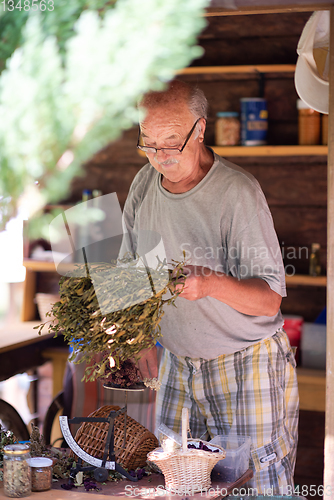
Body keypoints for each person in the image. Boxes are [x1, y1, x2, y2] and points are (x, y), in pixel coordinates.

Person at [120, 80, 299, 495]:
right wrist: (139, 337)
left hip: (245, 364)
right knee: (175, 486)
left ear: (200, 130)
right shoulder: (144, 185)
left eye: (171, 142)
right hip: (177, 366)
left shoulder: (236, 192)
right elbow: (130, 273)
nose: (159, 157)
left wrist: (212, 284)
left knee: (257, 486)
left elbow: (270, 297)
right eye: (148, 143)